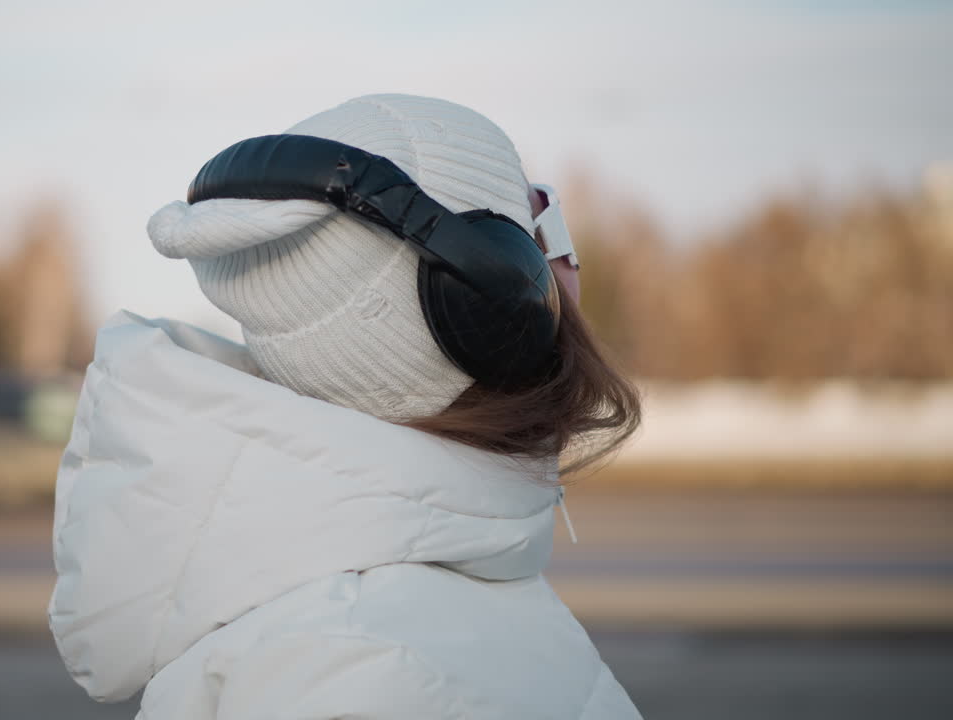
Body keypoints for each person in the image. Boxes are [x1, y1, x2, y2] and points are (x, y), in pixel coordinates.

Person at [49, 94, 643, 719]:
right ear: (495, 299)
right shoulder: (361, 677)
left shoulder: (410, 616)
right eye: (545, 228)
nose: (570, 264)